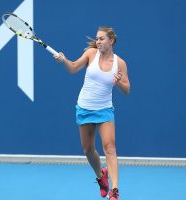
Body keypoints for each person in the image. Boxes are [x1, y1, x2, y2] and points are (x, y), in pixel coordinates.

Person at [54, 27, 130, 200]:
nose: (98, 42)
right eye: (97, 39)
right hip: (85, 108)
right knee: (88, 150)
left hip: (104, 109)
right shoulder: (91, 54)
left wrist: (118, 83)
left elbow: (127, 90)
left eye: (102, 39)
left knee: (109, 147)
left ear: (111, 41)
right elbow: (73, 68)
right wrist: (64, 60)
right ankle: (101, 176)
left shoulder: (120, 63)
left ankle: (115, 190)